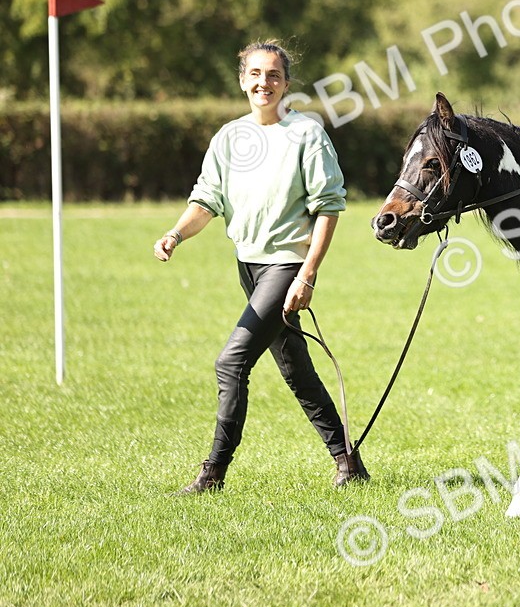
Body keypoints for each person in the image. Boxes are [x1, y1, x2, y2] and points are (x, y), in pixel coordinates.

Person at [153, 39, 369, 493]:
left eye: (273, 75)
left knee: (231, 363)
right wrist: (175, 234)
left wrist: (307, 273)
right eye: (255, 74)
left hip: (286, 266)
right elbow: (206, 201)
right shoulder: (229, 137)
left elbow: (328, 208)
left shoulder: (306, 134)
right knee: (296, 370)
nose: (263, 83)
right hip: (248, 266)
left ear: (286, 84)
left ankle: (213, 473)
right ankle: (348, 463)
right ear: (242, 81)